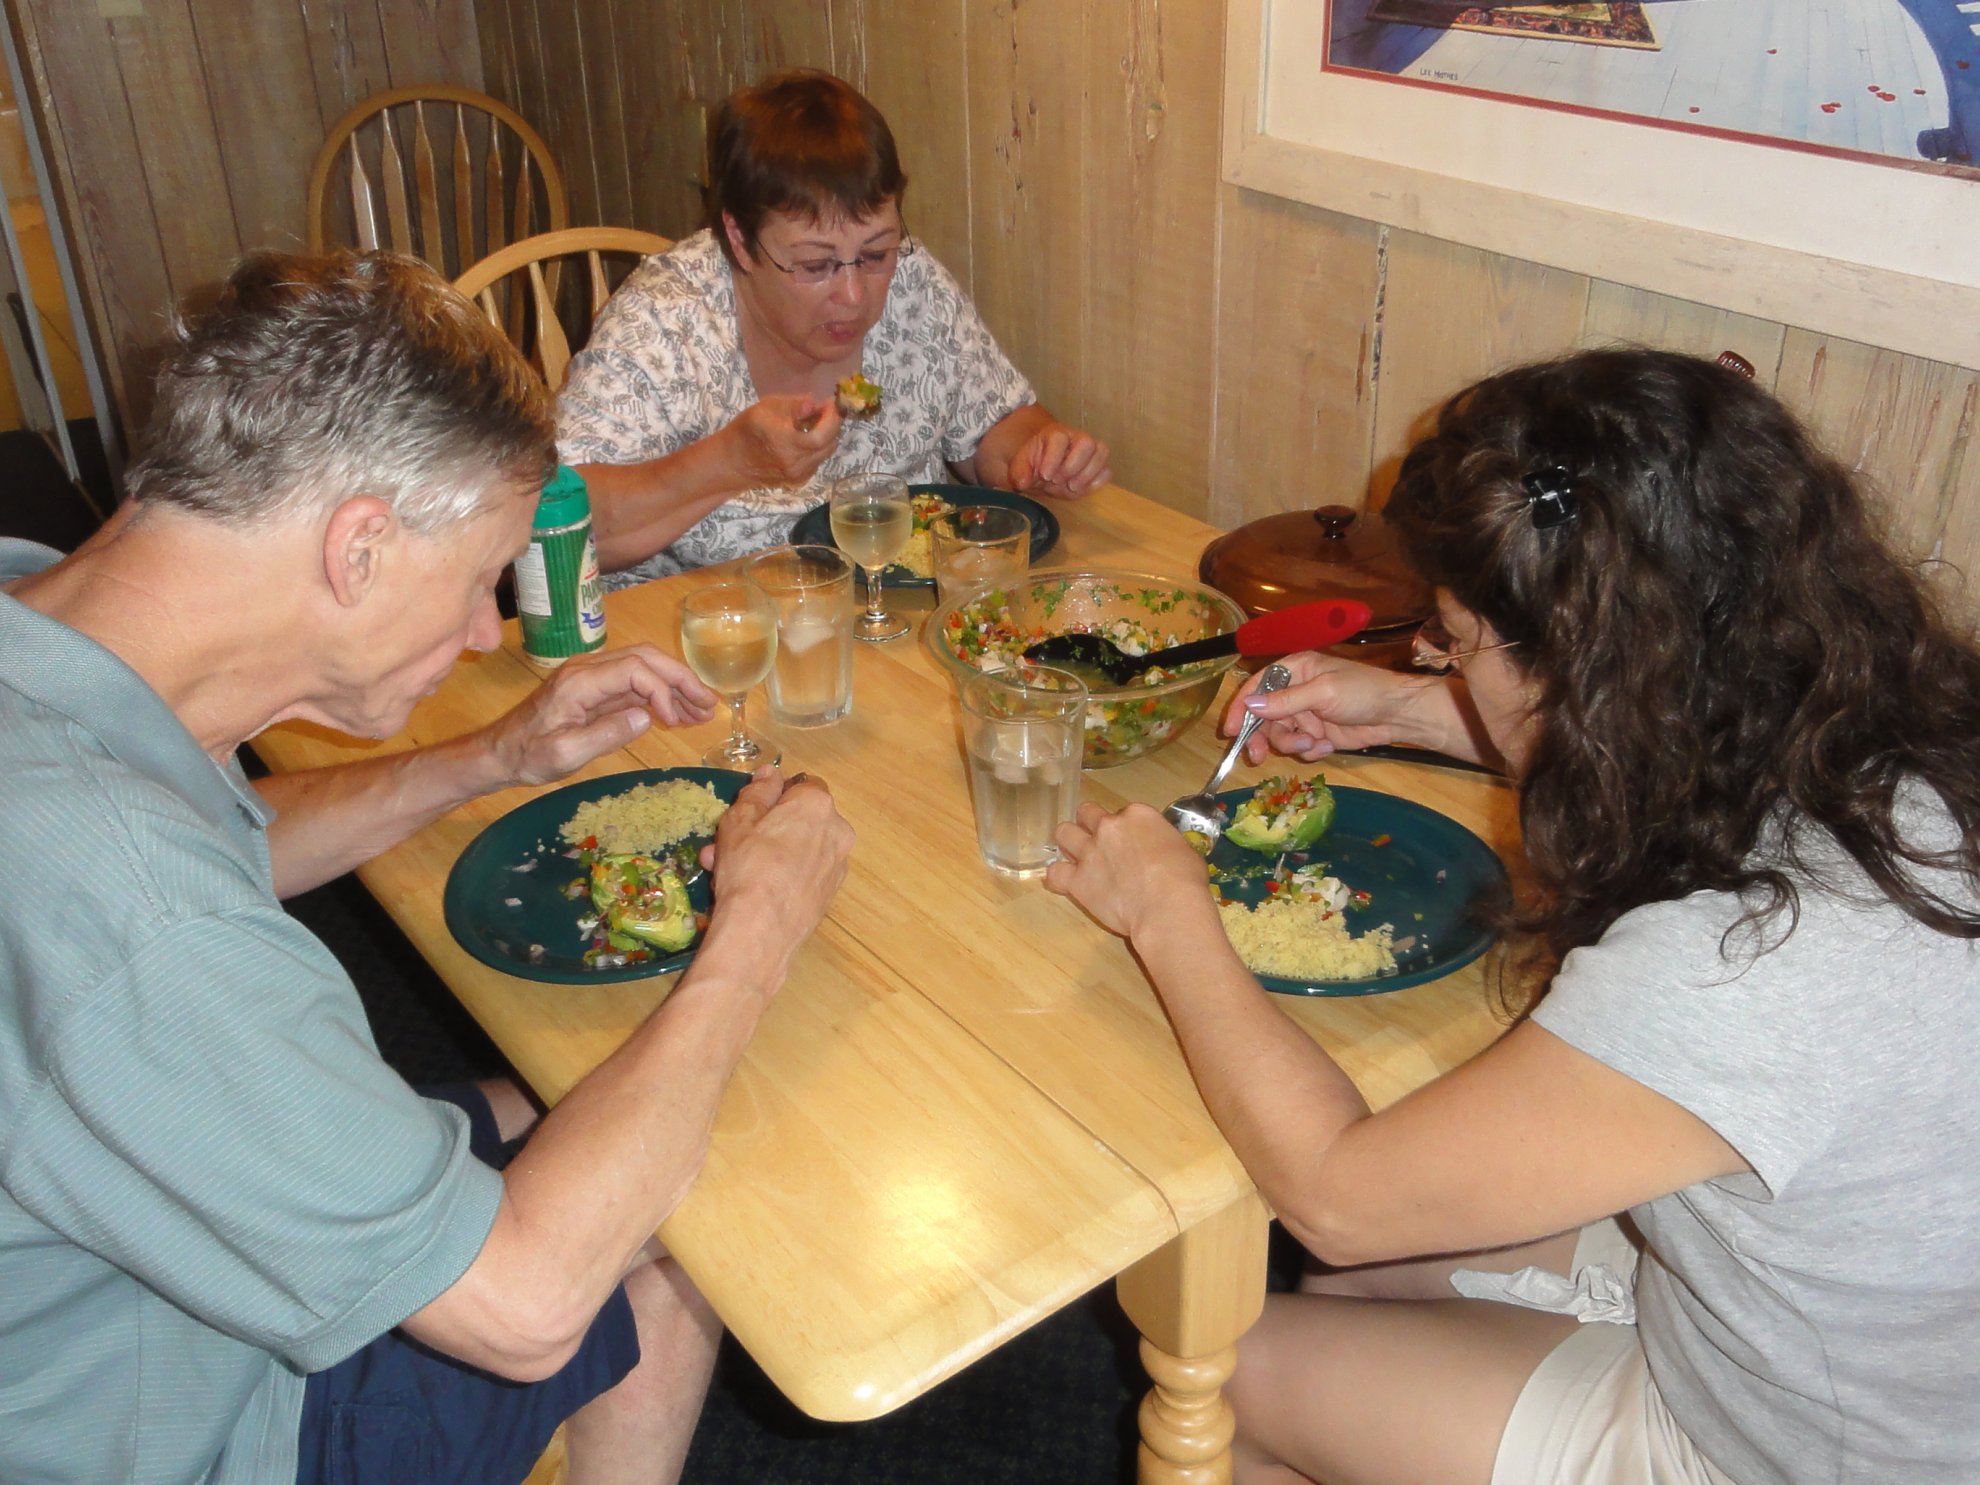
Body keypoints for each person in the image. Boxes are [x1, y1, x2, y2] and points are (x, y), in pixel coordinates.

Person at [1044, 348, 1980, 1484]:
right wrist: (1417, 709)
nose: (1441, 659)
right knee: (1362, 1282)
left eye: (1451, 637)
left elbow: (1339, 1194)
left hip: (1804, 1450)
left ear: (1580, 670)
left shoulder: (1739, 961)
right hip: (1883, 1350)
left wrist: (1165, 908)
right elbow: (1673, 755)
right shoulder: (1877, 740)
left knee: (1229, 1364)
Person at [0, 250, 855, 1485]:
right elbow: (524, 1306)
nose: (483, 632)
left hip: (106, 1260)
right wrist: (752, 937)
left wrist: (493, 753)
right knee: (685, 1196)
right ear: (358, 550)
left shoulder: (47, 622)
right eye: (476, 581)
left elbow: (219, 845)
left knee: (567, 1094)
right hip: (190, 1419)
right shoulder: (139, 916)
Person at [557, 68, 1112, 586]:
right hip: (714, 637)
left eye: (875, 254)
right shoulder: (665, 320)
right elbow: (550, 524)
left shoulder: (915, 284)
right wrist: (727, 464)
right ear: (740, 240)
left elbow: (995, 426)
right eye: (815, 265)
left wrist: (1037, 456)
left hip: (892, 623)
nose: (853, 296)